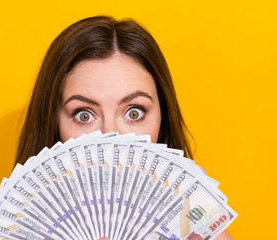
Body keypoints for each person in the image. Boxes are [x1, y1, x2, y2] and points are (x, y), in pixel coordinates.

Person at [15, 15, 232, 240]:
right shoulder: (16, 229)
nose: (111, 137)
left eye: (134, 112)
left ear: (163, 119)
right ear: (53, 122)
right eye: (84, 114)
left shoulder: (204, 233)